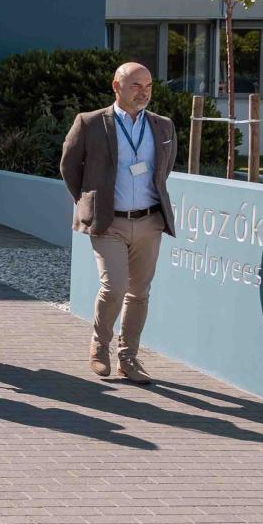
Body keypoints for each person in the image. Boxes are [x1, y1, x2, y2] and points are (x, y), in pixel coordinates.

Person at [60, 61, 176, 384]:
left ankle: (129, 357)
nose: (143, 92)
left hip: (149, 220)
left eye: (148, 85)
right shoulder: (90, 122)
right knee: (114, 286)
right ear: (116, 86)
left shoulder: (163, 126)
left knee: (139, 293)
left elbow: (163, 169)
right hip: (109, 222)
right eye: (136, 85)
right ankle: (100, 345)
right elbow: (69, 166)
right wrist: (88, 201)